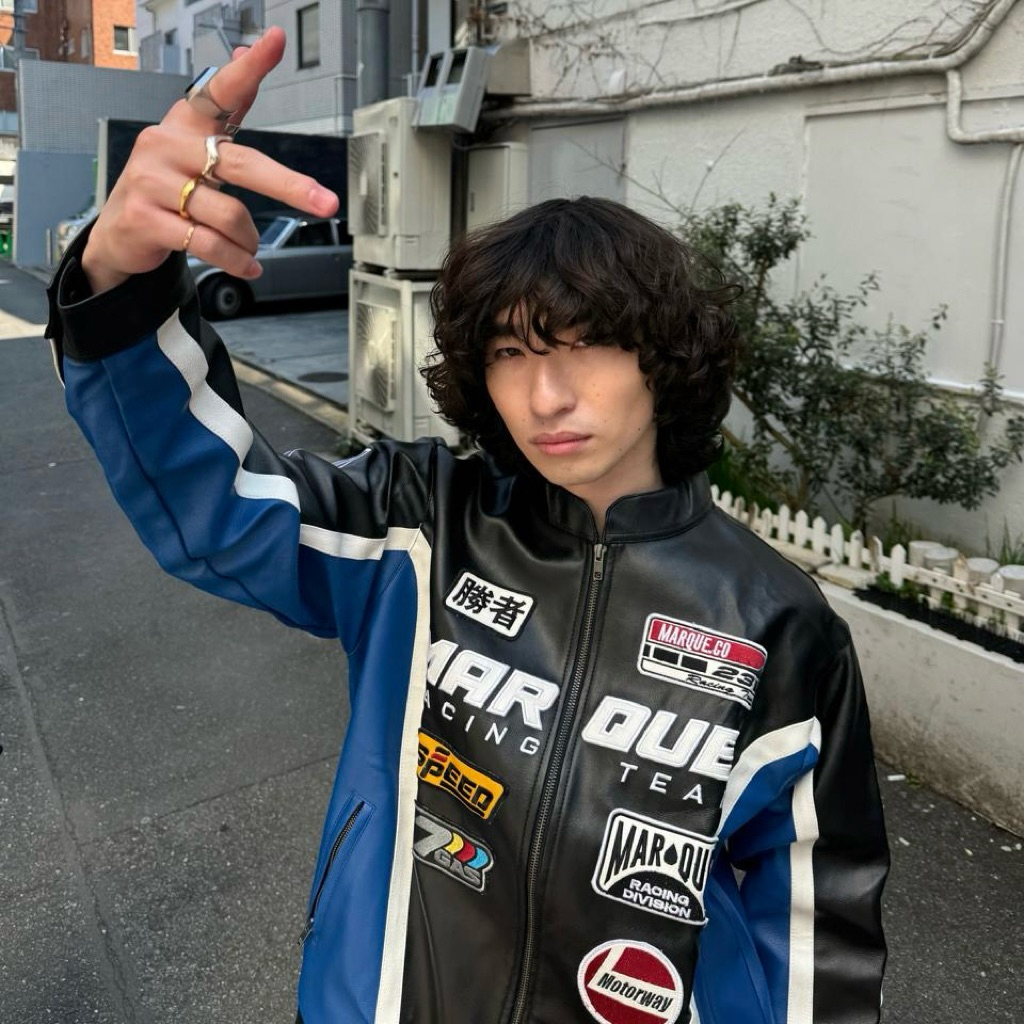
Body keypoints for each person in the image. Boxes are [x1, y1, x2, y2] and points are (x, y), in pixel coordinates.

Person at [46, 28, 889, 1024]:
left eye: (587, 344)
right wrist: (118, 284)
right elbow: (214, 503)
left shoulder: (777, 618)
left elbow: (815, 930)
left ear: (662, 355)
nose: (545, 395)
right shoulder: (419, 521)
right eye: (508, 353)